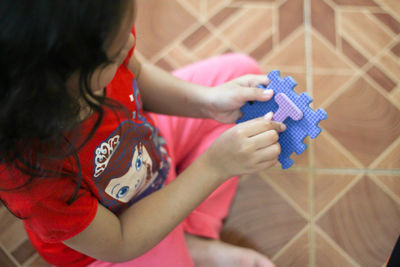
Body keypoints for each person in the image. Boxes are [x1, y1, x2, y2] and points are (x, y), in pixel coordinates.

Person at [0, 1, 285, 266]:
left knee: (240, 75)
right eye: (114, 54)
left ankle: (194, 236)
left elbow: (137, 74)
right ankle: (183, 241)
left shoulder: (103, 42)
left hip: (153, 149)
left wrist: (207, 101)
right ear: (51, 86)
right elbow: (120, 242)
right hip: (122, 235)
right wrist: (214, 166)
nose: (132, 44)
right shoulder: (35, 180)